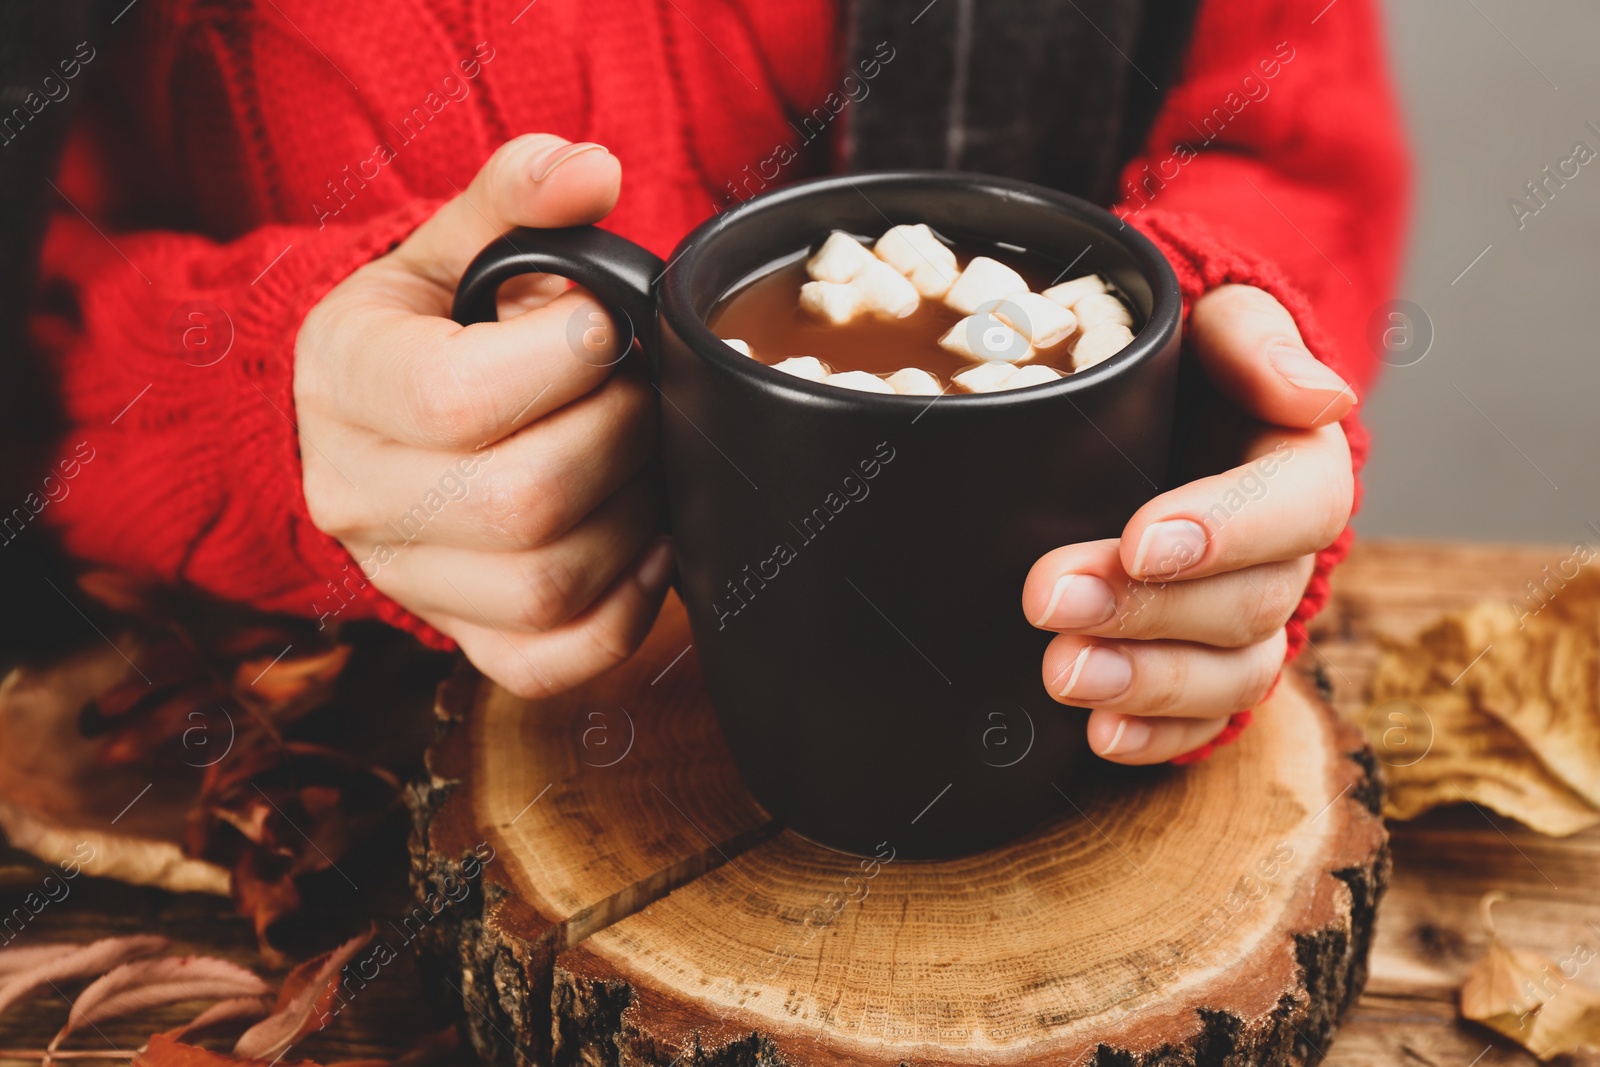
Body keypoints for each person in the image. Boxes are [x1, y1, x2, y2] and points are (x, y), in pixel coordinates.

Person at [15, 0, 1405, 766]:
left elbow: (1282, 136)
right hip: (219, 765)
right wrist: (245, 409)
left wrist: (1211, 383)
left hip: (1043, 751)